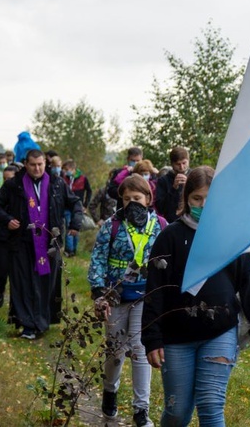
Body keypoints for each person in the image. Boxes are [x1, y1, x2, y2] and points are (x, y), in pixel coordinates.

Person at [141, 166, 250, 427]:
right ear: (186, 199)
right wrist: (152, 337)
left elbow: (249, 284)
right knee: (178, 412)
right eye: (197, 198)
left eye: (210, 198)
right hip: (176, 337)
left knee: (211, 406)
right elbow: (154, 290)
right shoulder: (169, 237)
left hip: (219, 333)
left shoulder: (231, 238)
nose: (203, 204)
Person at [88, 175, 165, 427]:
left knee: (141, 350)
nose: (132, 203)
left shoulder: (160, 226)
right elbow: (98, 258)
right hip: (116, 296)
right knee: (115, 351)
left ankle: (141, 410)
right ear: (120, 199)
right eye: (127, 198)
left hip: (147, 297)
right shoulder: (111, 225)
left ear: (148, 199)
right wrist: (99, 293)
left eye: (137, 198)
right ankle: (110, 390)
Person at [0, 149, 83, 339]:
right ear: (26, 164)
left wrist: (75, 224)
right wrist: (7, 219)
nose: (37, 168)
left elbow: (76, 203)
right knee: (24, 284)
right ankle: (28, 324)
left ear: (44, 164)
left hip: (50, 243)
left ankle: (42, 320)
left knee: (45, 283)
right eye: (33, 165)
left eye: (40, 164)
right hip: (21, 243)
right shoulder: (15, 185)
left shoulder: (56, 184)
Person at [0, 165, 18, 308]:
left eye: (10, 179)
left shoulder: (22, 196)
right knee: (1, 272)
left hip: (17, 241)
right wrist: (5, 220)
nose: (7, 182)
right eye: (5, 179)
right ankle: (1, 291)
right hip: (1, 240)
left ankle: (16, 302)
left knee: (17, 274)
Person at [62, 159, 92, 257]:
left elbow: (89, 191)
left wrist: (85, 205)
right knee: (68, 226)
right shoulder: (64, 178)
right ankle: (69, 250)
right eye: (65, 170)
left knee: (76, 227)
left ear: (73, 169)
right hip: (66, 207)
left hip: (78, 207)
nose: (66, 171)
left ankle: (74, 249)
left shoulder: (83, 178)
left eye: (67, 169)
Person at [154, 147, 189, 223]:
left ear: (188, 161)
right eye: (178, 164)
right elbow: (160, 208)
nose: (182, 167)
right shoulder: (163, 181)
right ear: (172, 164)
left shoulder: (195, 176)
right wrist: (174, 188)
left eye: (184, 163)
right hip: (172, 222)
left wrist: (189, 185)